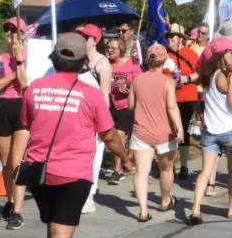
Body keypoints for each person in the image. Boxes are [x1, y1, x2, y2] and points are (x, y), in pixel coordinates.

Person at [19, 32, 132, 238]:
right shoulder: (90, 95)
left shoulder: (35, 89)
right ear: (83, 61)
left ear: (54, 58)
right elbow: (109, 135)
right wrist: (125, 158)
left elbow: (26, 123)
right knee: (63, 232)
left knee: (55, 227)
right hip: (72, 171)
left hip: (38, 169)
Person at [188, 47, 232, 224]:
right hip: (230, 129)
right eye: (231, 53)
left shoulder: (208, 76)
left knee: (205, 171)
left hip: (211, 130)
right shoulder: (230, 76)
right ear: (223, 56)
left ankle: (196, 208)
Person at [128, 43, 183, 221]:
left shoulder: (137, 80)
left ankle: (143, 211)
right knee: (166, 168)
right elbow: (172, 107)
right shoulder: (168, 81)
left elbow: (130, 105)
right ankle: (165, 200)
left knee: (141, 172)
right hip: (164, 133)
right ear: (165, 60)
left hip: (141, 131)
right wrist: (180, 128)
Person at [0, 17, 31, 229]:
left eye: (15, 32)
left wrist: (19, 62)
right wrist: (11, 74)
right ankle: (10, 201)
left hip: (22, 107)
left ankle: (18, 211)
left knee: (17, 161)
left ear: (23, 35)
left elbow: (24, 84)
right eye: (7, 32)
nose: (10, 36)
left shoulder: (30, 56)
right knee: (6, 163)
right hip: (3, 107)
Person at [75, 24, 115, 212]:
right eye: (80, 36)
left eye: (86, 37)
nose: (82, 39)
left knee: (94, 156)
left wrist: (102, 121)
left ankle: (89, 196)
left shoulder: (102, 63)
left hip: (94, 117)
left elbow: (105, 96)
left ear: (95, 40)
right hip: (76, 116)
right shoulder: (77, 60)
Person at [165, 24, 201, 182]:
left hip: (186, 97)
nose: (169, 39)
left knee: (183, 131)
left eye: (172, 36)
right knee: (169, 131)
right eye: (168, 36)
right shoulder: (164, 55)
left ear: (180, 39)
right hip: (168, 98)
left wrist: (186, 79)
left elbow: (200, 74)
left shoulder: (191, 54)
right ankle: (169, 166)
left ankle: (184, 165)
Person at [103, 37, 141, 184]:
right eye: (108, 47)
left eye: (113, 48)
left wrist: (129, 89)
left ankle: (117, 171)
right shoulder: (106, 65)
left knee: (118, 135)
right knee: (112, 138)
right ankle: (124, 163)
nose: (109, 50)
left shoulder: (132, 65)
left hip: (127, 105)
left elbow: (139, 85)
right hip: (110, 105)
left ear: (121, 49)